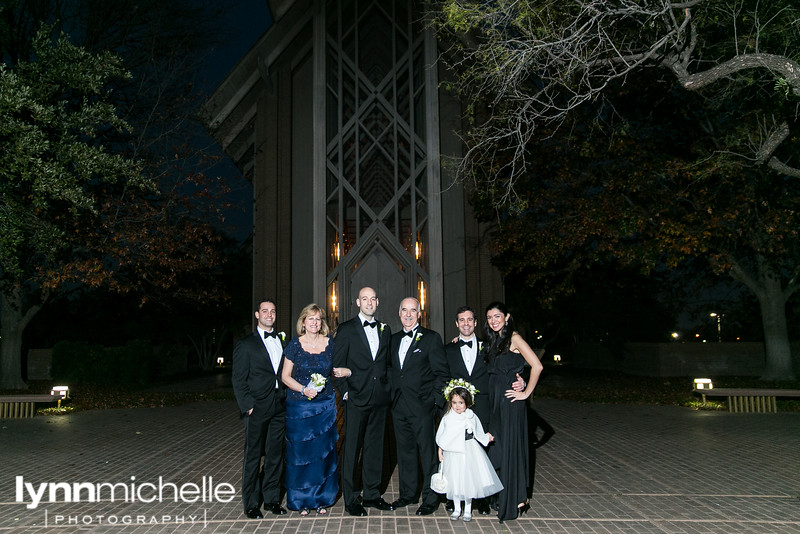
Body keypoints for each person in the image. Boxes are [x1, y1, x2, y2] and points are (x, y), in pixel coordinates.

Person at [443, 305, 524, 516]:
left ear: (476, 323)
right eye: (462, 320)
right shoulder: (448, 349)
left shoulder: (489, 345)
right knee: (457, 452)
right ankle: (455, 497)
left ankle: (485, 498)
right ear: (456, 324)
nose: (466, 324)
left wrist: (520, 380)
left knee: (485, 450)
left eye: (470, 320)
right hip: (459, 410)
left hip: (486, 405)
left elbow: (508, 364)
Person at [332, 287, 394, 516]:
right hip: (356, 398)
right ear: (357, 302)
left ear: (377, 302)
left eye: (373, 299)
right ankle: (350, 498)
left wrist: (387, 389)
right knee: (351, 450)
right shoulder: (347, 329)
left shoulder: (385, 329)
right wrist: (346, 393)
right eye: (364, 299)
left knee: (375, 448)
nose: (369, 302)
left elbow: (386, 363)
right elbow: (337, 366)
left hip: (379, 399)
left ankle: (372, 494)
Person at [388, 297, 449, 516]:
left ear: (419, 313)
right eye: (404, 310)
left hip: (423, 407)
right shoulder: (392, 340)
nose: (408, 314)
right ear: (399, 312)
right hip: (399, 407)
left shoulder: (431, 339)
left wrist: (434, 402)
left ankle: (431, 498)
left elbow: (442, 374)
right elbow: (390, 371)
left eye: (412, 310)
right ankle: (408, 494)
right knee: (405, 452)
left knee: (428, 453)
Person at [483, 301, 543, 523]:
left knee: (509, 450)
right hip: (495, 402)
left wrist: (526, 392)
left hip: (510, 402)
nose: (493, 320)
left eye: (497, 316)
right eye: (489, 317)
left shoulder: (514, 338)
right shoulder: (494, 340)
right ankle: (503, 495)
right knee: (497, 448)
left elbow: (537, 365)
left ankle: (515, 499)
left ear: (507, 317)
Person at [231, 299, 288, 519]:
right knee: (253, 455)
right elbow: (238, 379)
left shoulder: (283, 341)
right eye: (265, 311)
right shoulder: (246, 344)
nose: (269, 315)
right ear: (257, 315)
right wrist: (248, 407)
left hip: (279, 405)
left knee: (275, 454)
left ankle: (272, 499)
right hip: (257, 406)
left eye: (273, 311)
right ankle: (252, 503)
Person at [280, 304, 339, 516]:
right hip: (300, 408)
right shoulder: (295, 345)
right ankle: (301, 499)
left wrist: (347, 371)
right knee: (301, 454)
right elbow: (285, 376)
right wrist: (304, 389)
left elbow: (337, 368)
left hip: (325, 406)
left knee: (323, 453)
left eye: (318, 319)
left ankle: (322, 498)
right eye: (310, 319)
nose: (314, 323)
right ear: (303, 322)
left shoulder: (330, 343)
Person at [435, 383, 504, 522]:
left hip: (469, 451)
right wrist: (440, 450)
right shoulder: (448, 417)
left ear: (467, 402)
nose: (457, 406)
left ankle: (467, 509)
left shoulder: (471, 416)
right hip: (453, 452)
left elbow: (478, 431)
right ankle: (456, 508)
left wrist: (486, 438)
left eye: (460, 402)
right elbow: (442, 435)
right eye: (454, 402)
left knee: (468, 481)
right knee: (454, 480)